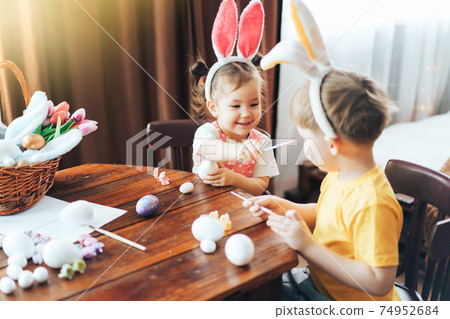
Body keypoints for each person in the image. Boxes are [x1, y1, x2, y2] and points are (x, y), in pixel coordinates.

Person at [244, 69, 403, 301]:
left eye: (306, 140)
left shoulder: (373, 203)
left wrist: (307, 245)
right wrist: (282, 205)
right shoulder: (339, 173)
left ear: (332, 145)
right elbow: (328, 216)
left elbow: (379, 282)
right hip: (320, 284)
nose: (304, 147)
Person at [189, 0, 279, 196]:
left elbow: (261, 185)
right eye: (235, 106)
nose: (246, 113)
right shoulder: (207, 133)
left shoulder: (262, 141)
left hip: (244, 210)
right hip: (205, 206)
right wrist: (237, 151)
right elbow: (209, 149)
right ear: (214, 108)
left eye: (254, 103)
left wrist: (234, 179)